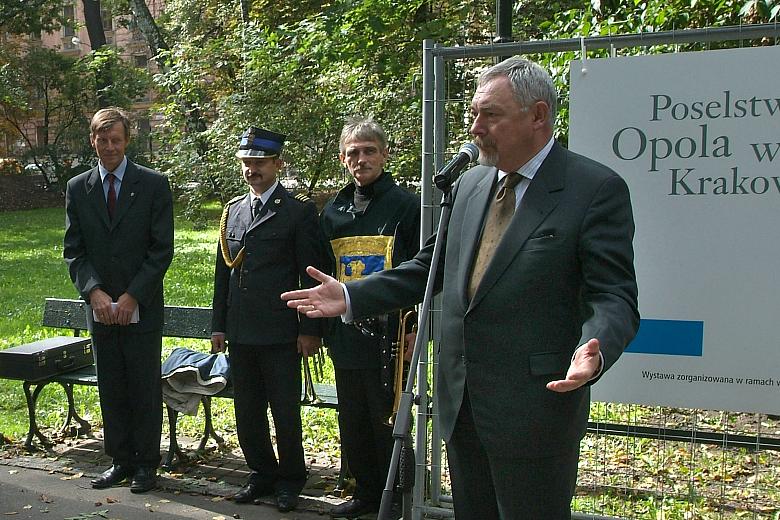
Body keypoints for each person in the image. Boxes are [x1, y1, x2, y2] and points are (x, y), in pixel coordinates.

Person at [282, 57, 639, 519]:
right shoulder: (471, 185)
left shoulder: (592, 188)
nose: (475, 128)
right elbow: (429, 267)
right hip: (462, 402)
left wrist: (598, 345)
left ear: (538, 116)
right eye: (473, 114)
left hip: (534, 407)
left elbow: (613, 295)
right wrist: (351, 296)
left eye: (490, 115)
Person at [210, 127, 323, 513]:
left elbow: (311, 273)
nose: (251, 170)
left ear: (277, 164)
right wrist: (219, 325)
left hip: (280, 332)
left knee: (285, 412)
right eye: (246, 163)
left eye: (259, 163)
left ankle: (291, 478)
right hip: (241, 332)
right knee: (248, 411)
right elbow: (222, 274)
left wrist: (309, 329)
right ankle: (261, 472)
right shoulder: (233, 211)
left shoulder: (298, 212)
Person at [64, 107, 174, 494]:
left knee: (143, 386)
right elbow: (74, 251)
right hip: (100, 309)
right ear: (92, 140)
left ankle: (146, 464)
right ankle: (120, 460)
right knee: (111, 385)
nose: (109, 146)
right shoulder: (79, 187)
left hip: (139, 306)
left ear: (127, 141)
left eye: (116, 139)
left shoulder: (154, 184)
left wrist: (132, 296)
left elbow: (162, 250)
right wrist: (94, 293)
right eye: (102, 139)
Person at [321, 118, 420, 519]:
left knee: (388, 416)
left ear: (384, 154)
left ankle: (395, 495)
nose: (361, 159)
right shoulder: (333, 211)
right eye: (353, 153)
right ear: (343, 159)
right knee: (353, 416)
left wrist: (414, 328)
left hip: (392, 335)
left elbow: (420, 271)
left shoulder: (407, 206)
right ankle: (364, 491)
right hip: (346, 334)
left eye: (369, 150)